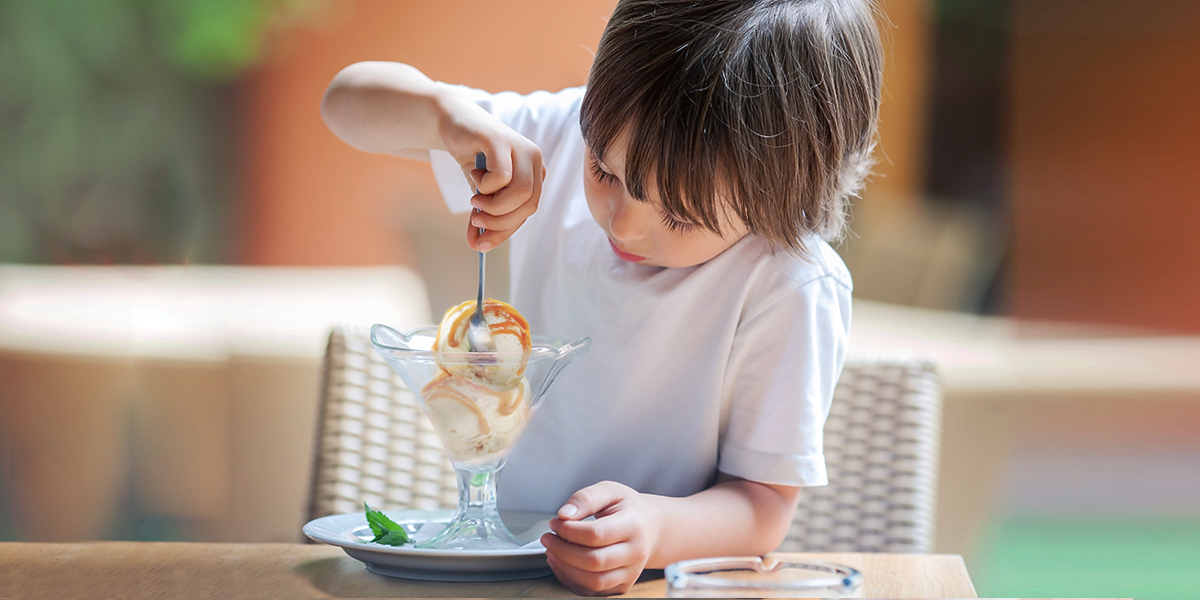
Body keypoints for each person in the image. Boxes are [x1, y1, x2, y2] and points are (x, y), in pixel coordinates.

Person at [321, 0, 883, 594]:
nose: (623, 225)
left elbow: (763, 506)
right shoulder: (562, 138)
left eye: (680, 215)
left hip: (652, 585)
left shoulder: (788, 283)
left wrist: (656, 528)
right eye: (604, 173)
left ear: (781, 191)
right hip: (507, 569)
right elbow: (344, 102)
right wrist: (444, 116)